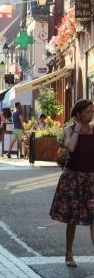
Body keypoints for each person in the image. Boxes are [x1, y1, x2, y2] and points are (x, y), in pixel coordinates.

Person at [50, 99, 94, 268]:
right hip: (74, 178)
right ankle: (69, 252)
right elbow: (71, 148)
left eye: (92, 112)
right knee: (72, 218)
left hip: (91, 179)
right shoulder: (69, 129)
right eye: (87, 112)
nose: (90, 115)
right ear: (78, 114)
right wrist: (76, 130)